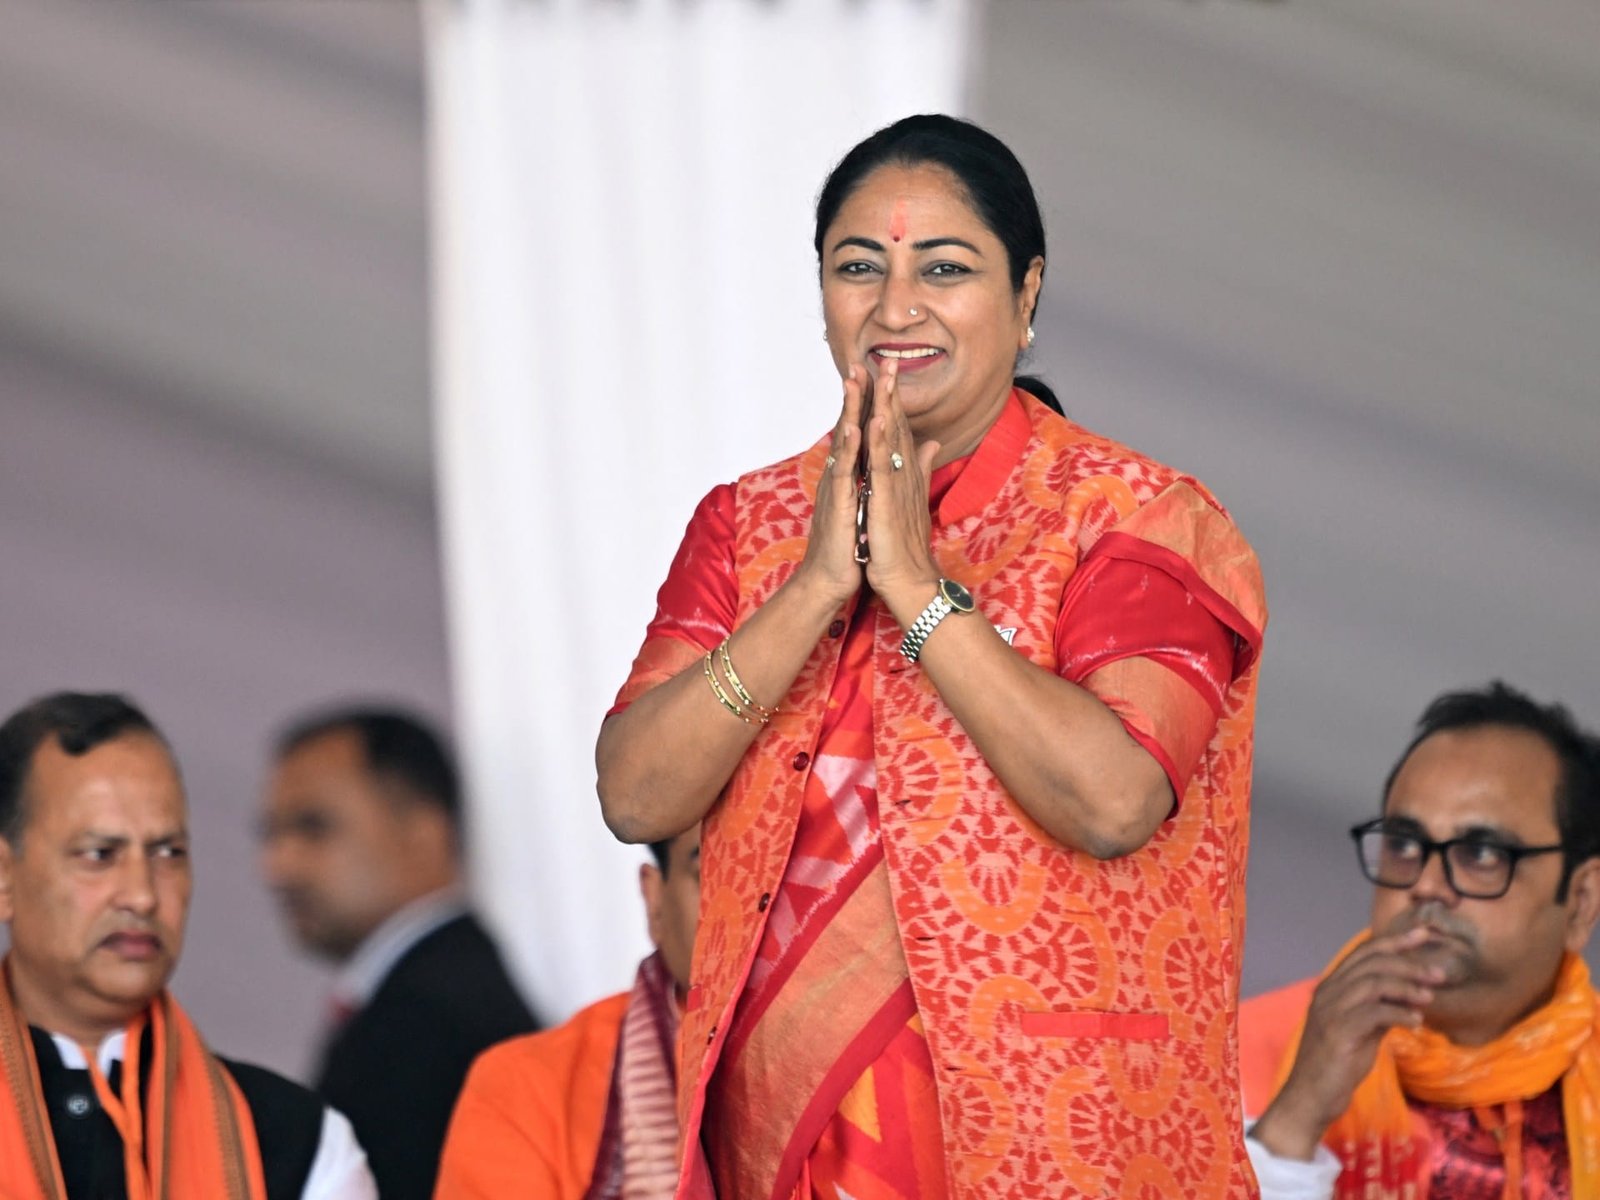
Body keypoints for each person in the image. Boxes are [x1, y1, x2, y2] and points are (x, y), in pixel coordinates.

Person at [596, 114, 1268, 1199]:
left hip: (1056, 1148)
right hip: (783, 1145)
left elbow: (1112, 802)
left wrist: (912, 588)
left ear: (1027, 293)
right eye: (858, 267)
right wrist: (816, 587)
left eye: (945, 269)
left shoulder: (1134, 520)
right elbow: (635, 793)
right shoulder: (748, 524)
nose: (896, 307)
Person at [0, 691, 376, 1200]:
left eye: (168, 852)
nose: (142, 895)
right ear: (5, 877)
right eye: (100, 854)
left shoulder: (297, 1143)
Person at [1241, 682, 1600, 1199]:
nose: (1426, 884)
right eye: (1405, 845)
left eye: (1481, 854)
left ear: (1582, 901)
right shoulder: (1243, 1056)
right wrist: (1299, 1114)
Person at [260, 706, 537, 1200]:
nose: (279, 865)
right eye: (272, 834)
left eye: (313, 827)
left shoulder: (429, 1020)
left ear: (425, 831)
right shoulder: (431, 995)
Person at [435, 823, 701, 1199]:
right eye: (721, 873)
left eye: (785, 875)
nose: (763, 904)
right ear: (655, 901)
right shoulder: (531, 1090)